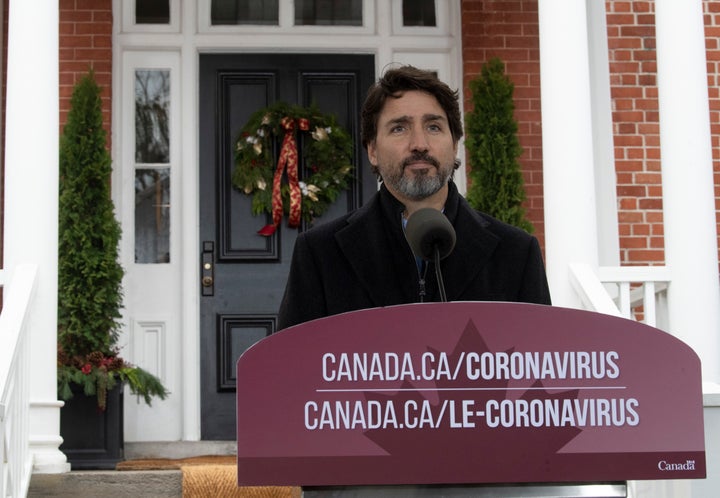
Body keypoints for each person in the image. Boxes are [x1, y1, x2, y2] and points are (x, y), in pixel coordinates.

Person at [277, 65, 551, 330]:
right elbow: (292, 368)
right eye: (399, 128)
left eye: (433, 127)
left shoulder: (515, 253)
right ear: (372, 150)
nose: (419, 143)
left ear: (454, 144)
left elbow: (540, 365)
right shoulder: (321, 254)